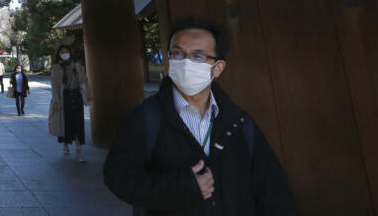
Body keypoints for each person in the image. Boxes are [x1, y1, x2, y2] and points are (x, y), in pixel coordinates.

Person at [104, 18, 296, 215]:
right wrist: (182, 188)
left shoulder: (239, 122)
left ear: (218, 68)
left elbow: (273, 190)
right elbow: (118, 177)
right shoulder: (145, 118)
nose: (185, 63)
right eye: (177, 53)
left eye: (197, 57)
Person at [48, 45, 90, 161]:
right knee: (65, 122)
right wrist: (56, 100)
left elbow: (84, 81)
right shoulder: (57, 68)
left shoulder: (77, 65)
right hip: (64, 97)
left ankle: (79, 149)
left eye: (66, 51)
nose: (65, 53)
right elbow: (54, 85)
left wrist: (87, 96)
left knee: (78, 122)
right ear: (59, 54)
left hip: (76, 96)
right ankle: (65, 145)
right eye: (62, 52)